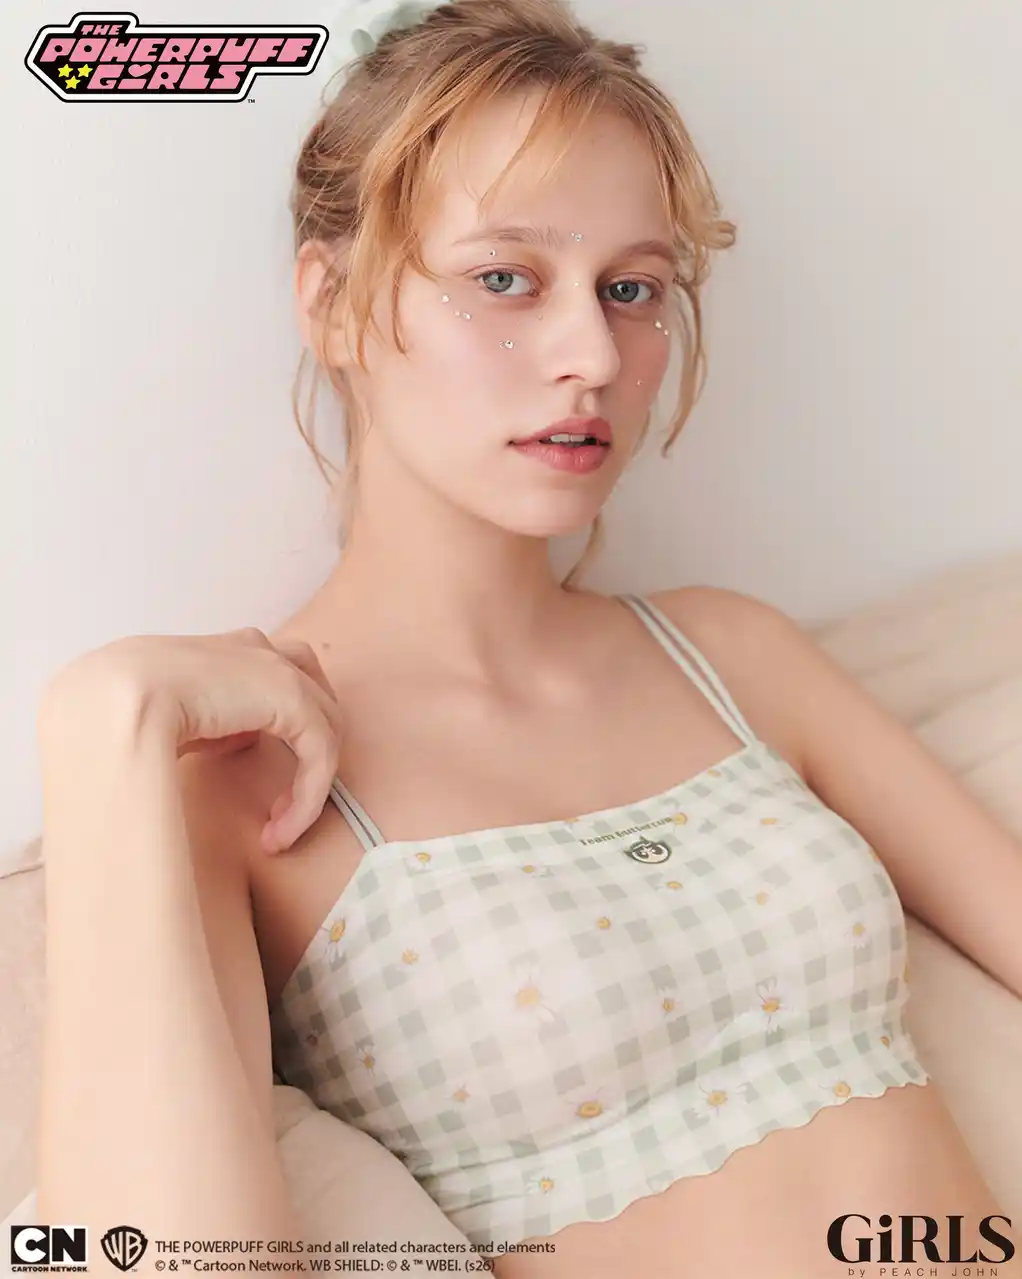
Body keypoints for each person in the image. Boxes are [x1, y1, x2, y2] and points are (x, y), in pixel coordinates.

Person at [32, 0, 1020, 1276]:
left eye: (631, 289)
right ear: (332, 305)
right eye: (504, 278)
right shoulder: (234, 789)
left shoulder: (730, 654)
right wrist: (101, 718)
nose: (590, 354)